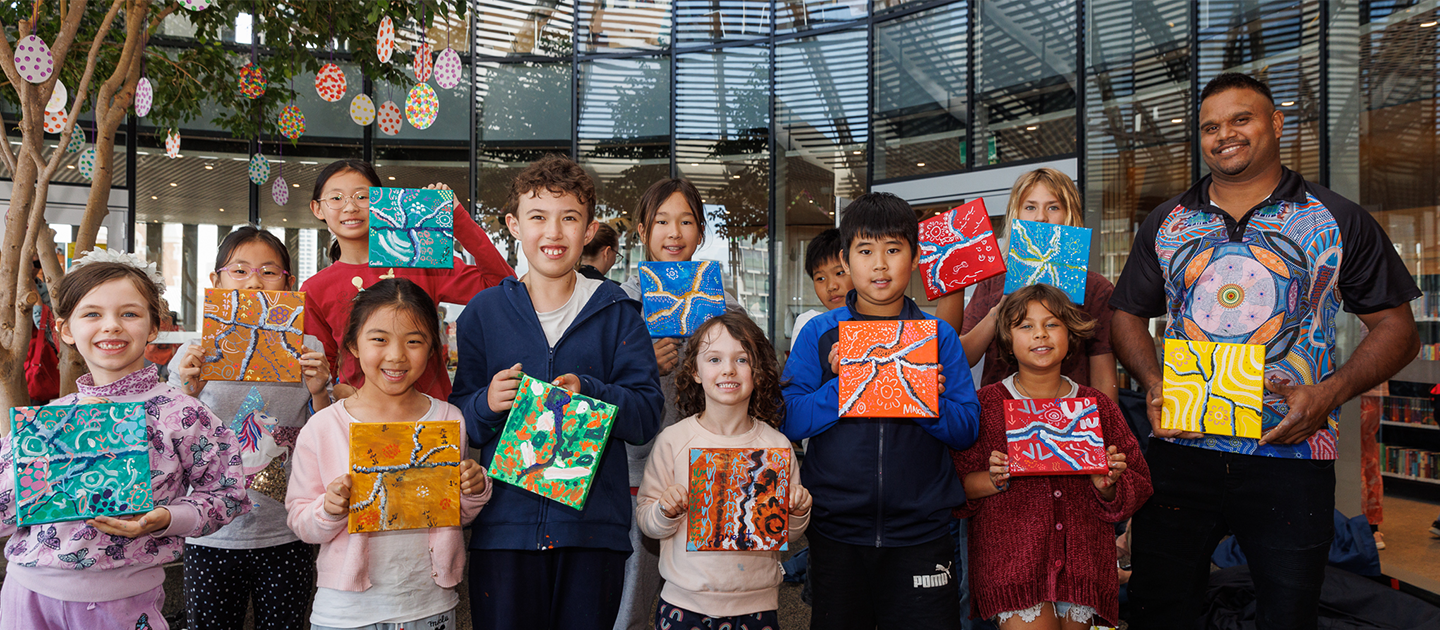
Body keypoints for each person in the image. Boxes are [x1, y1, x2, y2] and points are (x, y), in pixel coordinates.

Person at [1110, 72, 1421, 630]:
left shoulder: (1335, 219)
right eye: (1210, 127)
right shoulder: (1167, 222)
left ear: (1276, 124)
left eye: (1241, 119)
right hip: (1182, 451)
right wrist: (1154, 384)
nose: (1224, 135)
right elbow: (1126, 315)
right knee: (1160, 607)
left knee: (1289, 614)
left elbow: (1397, 329)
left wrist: (1328, 394)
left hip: (1292, 455)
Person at [449, 155, 664, 630]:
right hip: (504, 530)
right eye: (538, 217)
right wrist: (487, 402)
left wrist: (592, 392)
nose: (553, 232)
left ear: (589, 230)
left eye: (569, 218)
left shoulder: (619, 313)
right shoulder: (483, 313)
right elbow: (460, 421)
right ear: (514, 226)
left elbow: (647, 415)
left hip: (592, 532)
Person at [0, 253, 251, 630]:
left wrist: (167, 518)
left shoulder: (181, 413)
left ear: (154, 327)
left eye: (129, 313)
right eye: (92, 314)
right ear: (65, 329)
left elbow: (228, 493)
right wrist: (46, 448)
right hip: (26, 595)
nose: (111, 326)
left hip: (125, 601)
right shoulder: (49, 418)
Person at [782, 192, 982, 630]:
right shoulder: (820, 333)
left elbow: (968, 427)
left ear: (915, 258)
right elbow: (790, 419)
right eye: (865, 251)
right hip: (836, 531)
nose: (879, 265)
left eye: (893, 250)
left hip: (922, 533)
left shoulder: (938, 337)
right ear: (846, 260)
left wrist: (927, 402)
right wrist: (843, 387)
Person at [286, 278, 491, 630]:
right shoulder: (324, 426)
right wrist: (329, 509)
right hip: (346, 614)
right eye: (379, 339)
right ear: (353, 344)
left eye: (414, 341)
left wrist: (474, 490)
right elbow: (300, 521)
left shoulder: (447, 419)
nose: (396, 355)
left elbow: (456, 514)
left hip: (430, 606)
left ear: (433, 348)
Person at [953, 284, 1151, 628]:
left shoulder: (1097, 407)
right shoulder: (984, 407)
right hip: (1013, 570)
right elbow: (953, 484)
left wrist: (1108, 485)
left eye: (1052, 324)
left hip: (1083, 567)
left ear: (1071, 335)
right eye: (1025, 325)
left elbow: (1139, 482)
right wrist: (993, 479)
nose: (1040, 334)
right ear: (1006, 340)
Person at [170, 226, 332, 630]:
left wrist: (319, 392)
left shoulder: (308, 348)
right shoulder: (193, 353)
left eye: (269, 272)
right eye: (239, 271)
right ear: (216, 281)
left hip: (286, 528)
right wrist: (188, 391)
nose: (255, 282)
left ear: (288, 284)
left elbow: (326, 435)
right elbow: (169, 440)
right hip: (210, 531)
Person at [615, 178, 745, 630]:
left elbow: (754, 371)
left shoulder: (723, 303)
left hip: (708, 467)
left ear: (701, 231)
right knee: (632, 597)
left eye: (687, 221)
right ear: (642, 231)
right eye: (662, 222)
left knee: (703, 595)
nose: (674, 233)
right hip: (639, 470)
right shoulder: (620, 303)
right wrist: (642, 364)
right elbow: (595, 388)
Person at [636, 312, 812, 629]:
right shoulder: (673, 441)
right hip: (683, 603)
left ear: (758, 372)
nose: (728, 369)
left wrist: (797, 512)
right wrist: (664, 510)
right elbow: (647, 521)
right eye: (714, 359)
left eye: (742, 359)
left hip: (757, 605)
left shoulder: (777, 446)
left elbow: (787, 533)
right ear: (695, 371)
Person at [302, 159, 514, 401]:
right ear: (318, 209)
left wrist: (457, 219)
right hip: (361, 416)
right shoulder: (315, 289)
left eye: (362, 197)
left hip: (434, 413)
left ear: (381, 200)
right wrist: (335, 392)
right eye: (336, 198)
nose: (350, 207)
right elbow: (322, 369)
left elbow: (504, 287)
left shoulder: (420, 259)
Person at [942, 169, 1118, 403]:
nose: (1041, 217)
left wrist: (1106, 421)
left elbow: (1104, 375)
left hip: (1072, 415)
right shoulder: (993, 281)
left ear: (1070, 215)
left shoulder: (1095, 287)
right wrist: (998, 311)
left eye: (1053, 207)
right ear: (1016, 214)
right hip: (1001, 412)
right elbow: (962, 357)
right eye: (1030, 207)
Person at [791, 228, 852, 351]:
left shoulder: (884, 321)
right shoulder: (811, 326)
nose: (831, 286)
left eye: (839, 273)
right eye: (820, 278)